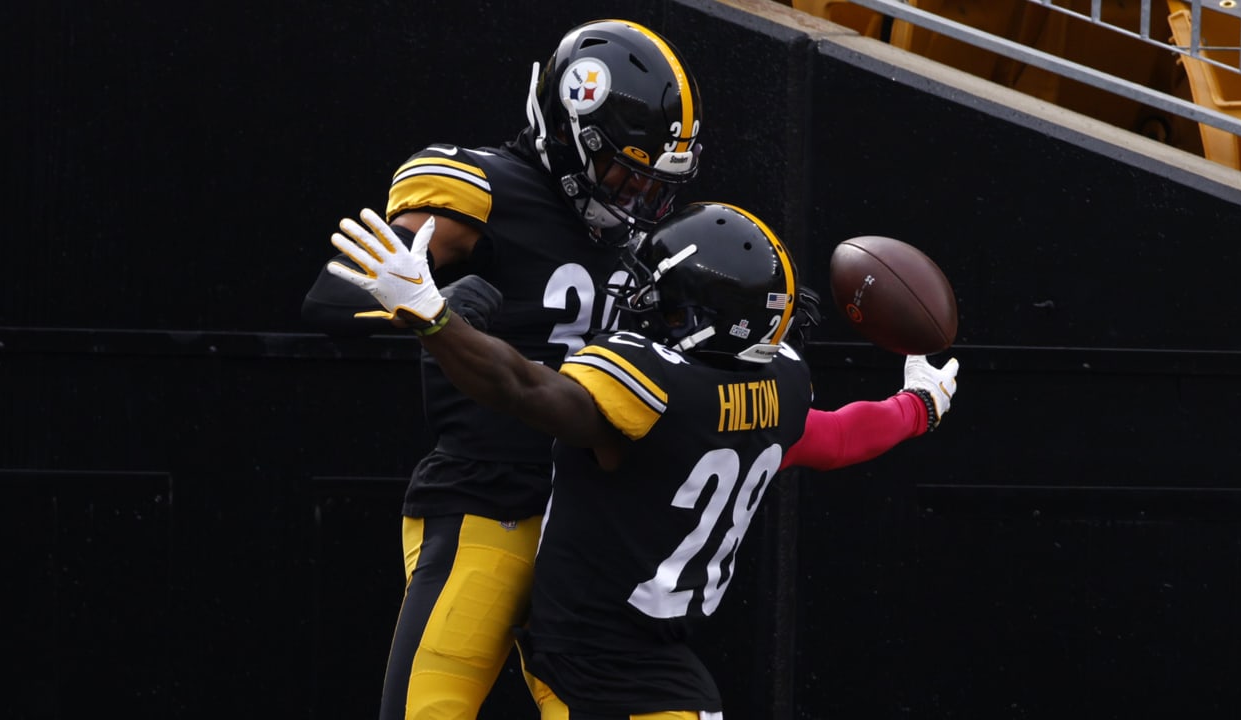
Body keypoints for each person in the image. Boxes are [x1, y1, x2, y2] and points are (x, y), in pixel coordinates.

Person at [324, 201, 960, 718]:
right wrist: (917, 407)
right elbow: (837, 438)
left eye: (670, 302)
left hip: (602, 656)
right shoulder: (782, 389)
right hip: (633, 650)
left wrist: (436, 320)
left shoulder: (654, 388)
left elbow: (523, 389)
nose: (644, 304)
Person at [300, 19, 705, 720]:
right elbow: (333, 294)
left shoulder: (639, 235)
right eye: (621, 174)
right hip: (491, 501)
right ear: (570, 128)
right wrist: (425, 303)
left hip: (592, 523)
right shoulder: (485, 186)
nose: (635, 200)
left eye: (650, 185)